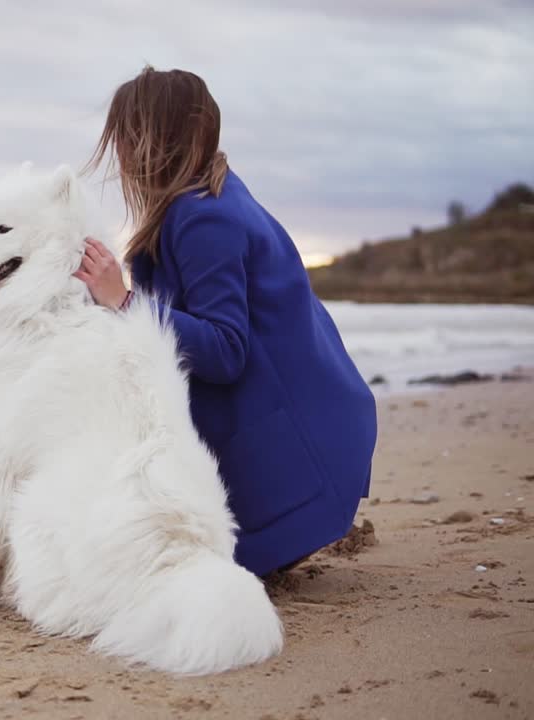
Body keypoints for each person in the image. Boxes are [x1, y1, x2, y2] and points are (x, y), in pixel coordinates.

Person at [75, 66, 377, 576]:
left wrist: (124, 302)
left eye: (130, 138)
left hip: (298, 456)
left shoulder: (202, 219)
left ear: (164, 140)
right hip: (316, 424)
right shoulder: (213, 199)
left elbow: (225, 349)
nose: (123, 157)